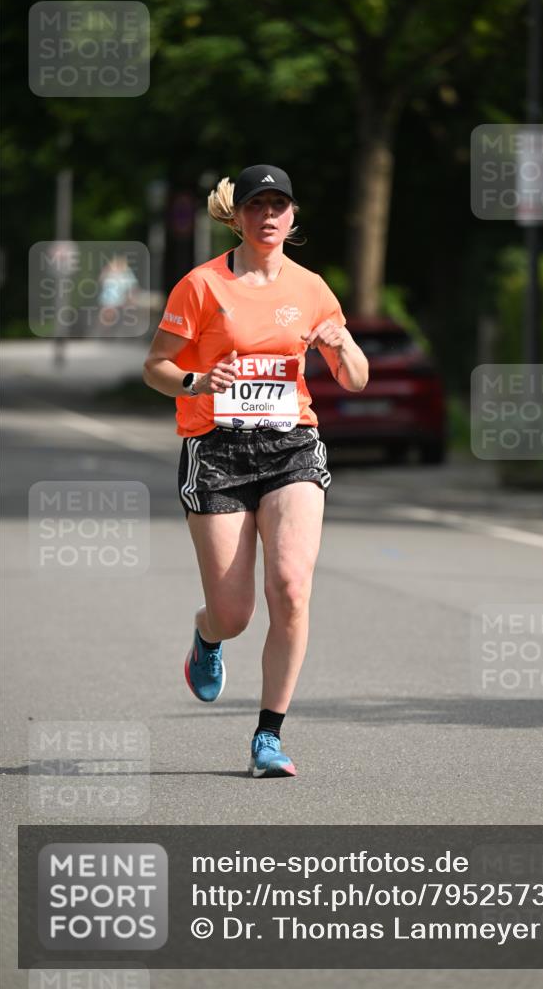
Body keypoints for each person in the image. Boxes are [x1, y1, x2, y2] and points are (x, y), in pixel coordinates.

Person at [143, 164, 369, 777]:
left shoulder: (314, 287)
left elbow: (355, 377)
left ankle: (269, 736)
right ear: (237, 216)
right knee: (235, 613)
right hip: (215, 449)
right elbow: (156, 366)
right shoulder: (201, 285)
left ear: (293, 217)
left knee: (291, 587)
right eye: (256, 206)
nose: (268, 216)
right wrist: (195, 379)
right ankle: (207, 635)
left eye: (279, 205)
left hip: (292, 444)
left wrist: (342, 344)